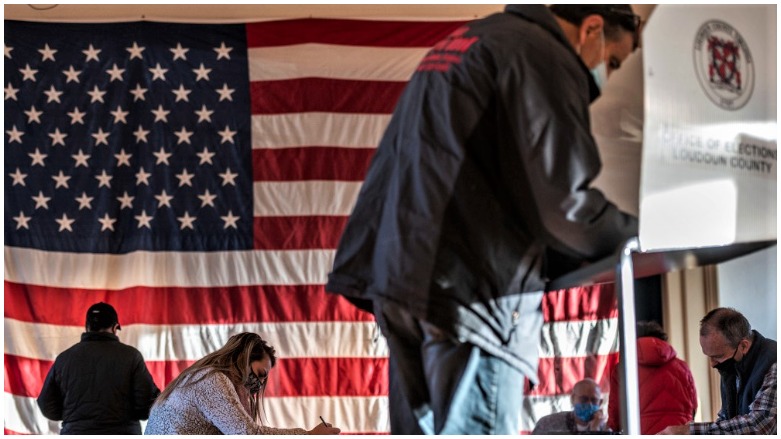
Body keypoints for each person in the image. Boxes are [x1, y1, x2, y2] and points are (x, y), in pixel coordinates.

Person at [326, 4, 641, 434]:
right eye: (613, 61)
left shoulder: (466, 41)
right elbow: (564, 206)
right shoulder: (542, 54)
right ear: (592, 29)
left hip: (400, 280)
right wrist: (640, 232)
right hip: (470, 293)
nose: (604, 76)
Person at [144, 332, 341, 435]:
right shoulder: (212, 380)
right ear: (243, 358)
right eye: (260, 374)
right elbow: (246, 433)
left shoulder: (202, 375)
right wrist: (308, 435)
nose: (259, 384)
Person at [36, 302, 160, 434]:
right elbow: (148, 404)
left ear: (87, 327)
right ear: (114, 327)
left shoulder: (64, 358)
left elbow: (47, 406)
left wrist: (76, 418)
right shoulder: (131, 356)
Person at [659, 307, 777, 434]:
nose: (712, 364)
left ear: (743, 346)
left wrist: (690, 431)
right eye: (709, 356)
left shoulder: (774, 362)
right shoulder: (733, 365)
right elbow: (727, 419)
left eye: (718, 356)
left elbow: (760, 425)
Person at [607, 321, 697, 434]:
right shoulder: (683, 367)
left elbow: (616, 412)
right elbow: (693, 407)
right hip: (678, 433)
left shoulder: (623, 368)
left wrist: (613, 429)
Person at [532, 378, 608, 434]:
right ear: (572, 399)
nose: (589, 404)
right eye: (584, 399)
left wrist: (595, 431)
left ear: (600, 403)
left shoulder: (606, 430)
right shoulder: (547, 424)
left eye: (594, 400)